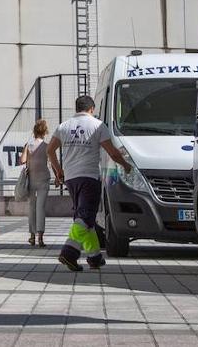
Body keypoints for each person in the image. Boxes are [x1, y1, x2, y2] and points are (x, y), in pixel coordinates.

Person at [47, 95, 134, 272]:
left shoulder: (64, 126)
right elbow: (113, 153)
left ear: (77, 108)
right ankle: (69, 252)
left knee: (86, 219)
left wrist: (58, 171)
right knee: (86, 216)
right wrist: (126, 165)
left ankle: (94, 257)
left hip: (71, 179)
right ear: (92, 109)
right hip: (89, 177)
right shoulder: (98, 125)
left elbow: (50, 150)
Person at [19, 119, 52, 248]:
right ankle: (40, 238)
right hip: (44, 180)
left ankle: (32, 236)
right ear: (45, 132)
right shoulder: (47, 146)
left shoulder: (29, 145)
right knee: (41, 208)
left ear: (34, 131)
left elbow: (22, 161)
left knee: (32, 208)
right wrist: (58, 176)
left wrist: (26, 150)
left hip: (31, 181)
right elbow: (52, 162)